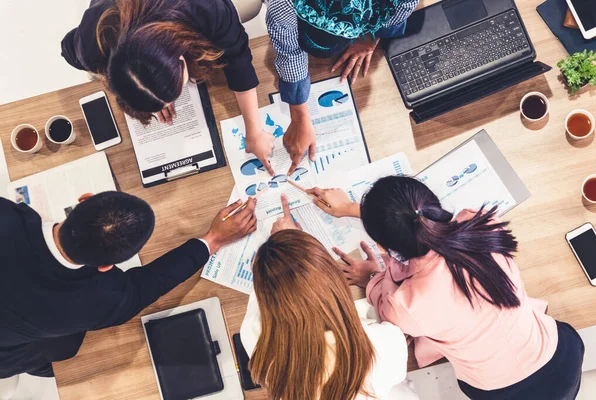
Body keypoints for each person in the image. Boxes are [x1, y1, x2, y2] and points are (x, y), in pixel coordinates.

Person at [308, 177, 585, 400]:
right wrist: (360, 210)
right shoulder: (485, 226)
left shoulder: (406, 304)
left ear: (383, 248)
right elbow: (417, 222)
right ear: (435, 206)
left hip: (501, 392)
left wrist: (373, 275)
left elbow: (384, 302)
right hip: (562, 356)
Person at [0, 191, 257, 379]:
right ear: (105, 267)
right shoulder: (99, 299)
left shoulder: (7, 213)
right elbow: (149, 285)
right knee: (65, 351)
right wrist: (213, 239)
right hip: (8, 350)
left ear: (84, 199)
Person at [61, 0, 277, 174]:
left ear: (181, 56)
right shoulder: (92, 42)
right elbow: (66, 49)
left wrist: (255, 131)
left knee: (249, 6)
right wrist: (147, 91)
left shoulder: (205, 8)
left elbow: (237, 55)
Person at [239, 195, 418, 400]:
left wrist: (285, 250)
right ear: (333, 279)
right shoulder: (383, 343)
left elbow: (265, 294)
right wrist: (373, 277)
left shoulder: (259, 343)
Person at [266, 0, 419, 174]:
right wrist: (299, 114)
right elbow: (289, 51)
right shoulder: (282, 5)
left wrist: (371, 37)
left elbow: (404, 6)